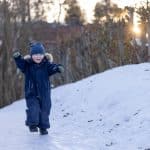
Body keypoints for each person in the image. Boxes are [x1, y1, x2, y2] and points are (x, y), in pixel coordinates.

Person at [13, 42, 64, 135]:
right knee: (34, 108)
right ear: (32, 55)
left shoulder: (46, 64)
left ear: (43, 55)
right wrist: (17, 57)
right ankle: (32, 124)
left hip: (44, 93)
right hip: (31, 92)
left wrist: (57, 68)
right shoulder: (27, 65)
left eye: (40, 54)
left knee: (45, 110)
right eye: (35, 54)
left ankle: (43, 127)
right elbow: (21, 64)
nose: (38, 56)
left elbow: (52, 68)